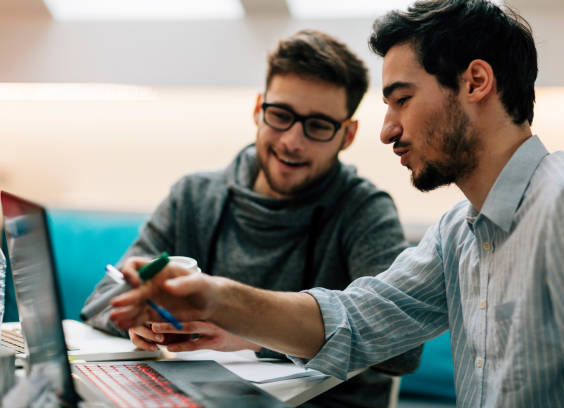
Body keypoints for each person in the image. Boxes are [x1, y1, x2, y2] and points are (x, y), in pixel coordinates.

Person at [109, 0, 564, 406]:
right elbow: (355, 320)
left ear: (475, 82)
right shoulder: (457, 231)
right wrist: (213, 297)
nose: (389, 129)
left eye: (402, 100)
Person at [83, 29, 422, 408]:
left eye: (319, 125)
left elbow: (402, 349)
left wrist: (255, 335)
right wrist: (141, 319)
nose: (293, 141)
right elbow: (102, 297)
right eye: (280, 115)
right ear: (258, 109)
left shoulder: (365, 211)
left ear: (347, 135)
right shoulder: (194, 196)